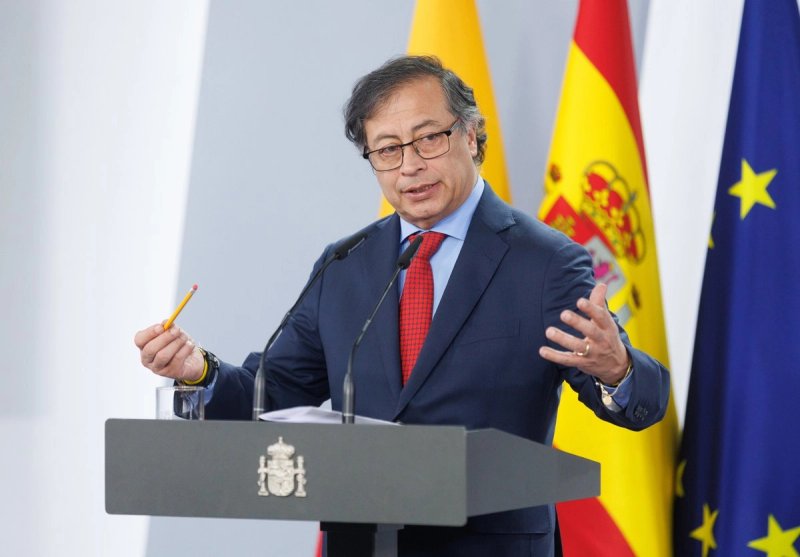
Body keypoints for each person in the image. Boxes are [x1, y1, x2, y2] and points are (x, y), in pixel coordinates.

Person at [134, 55, 670, 557]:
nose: (410, 165)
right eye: (387, 149)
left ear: (471, 135)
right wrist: (197, 370)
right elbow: (270, 395)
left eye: (429, 139)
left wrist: (617, 369)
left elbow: (644, 401)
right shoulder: (345, 263)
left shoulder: (546, 262)